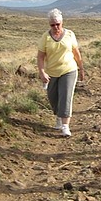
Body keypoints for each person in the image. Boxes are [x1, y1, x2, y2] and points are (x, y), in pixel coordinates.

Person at [37, 8, 84, 137]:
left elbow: (76, 53)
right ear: (49, 24)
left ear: (62, 23)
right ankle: (58, 116)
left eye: (58, 24)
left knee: (66, 96)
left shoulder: (70, 34)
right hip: (52, 72)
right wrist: (42, 72)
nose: (55, 27)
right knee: (53, 98)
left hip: (69, 69)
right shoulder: (45, 37)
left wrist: (81, 68)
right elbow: (40, 56)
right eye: (52, 24)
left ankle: (65, 126)